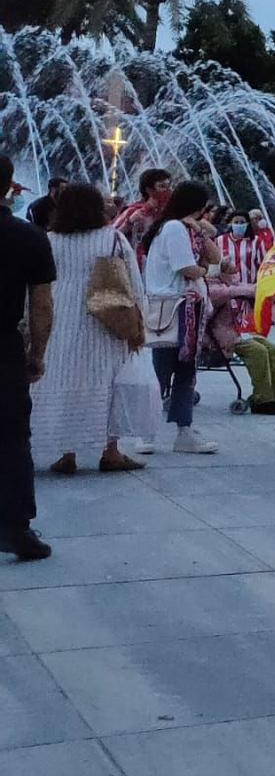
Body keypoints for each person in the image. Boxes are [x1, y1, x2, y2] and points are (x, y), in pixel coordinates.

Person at [36, 184, 150, 474]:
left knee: (64, 380)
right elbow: (133, 284)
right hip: (104, 320)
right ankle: (110, 451)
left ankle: (67, 454)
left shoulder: (49, 240)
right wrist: (139, 322)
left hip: (61, 319)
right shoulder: (112, 239)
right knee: (108, 381)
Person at [1, 159, 57, 560]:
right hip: (4, 351)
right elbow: (41, 304)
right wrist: (36, 354)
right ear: (9, 187)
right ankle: (16, 528)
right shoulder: (28, 237)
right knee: (12, 438)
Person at [140, 181, 219, 454]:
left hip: (185, 309)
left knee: (185, 373)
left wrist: (204, 232)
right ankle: (148, 433)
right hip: (174, 309)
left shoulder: (182, 228)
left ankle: (183, 431)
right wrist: (210, 273)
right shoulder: (174, 228)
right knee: (163, 371)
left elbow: (214, 256)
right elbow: (185, 268)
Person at [212, 206, 275, 414]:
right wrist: (250, 290)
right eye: (227, 261)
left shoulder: (250, 250)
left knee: (272, 349)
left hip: (234, 328)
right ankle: (262, 400)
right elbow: (228, 292)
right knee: (258, 351)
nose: (233, 263)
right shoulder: (213, 283)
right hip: (219, 335)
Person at [112, 167, 173, 248]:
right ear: (149, 190)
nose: (168, 190)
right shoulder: (133, 211)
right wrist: (129, 222)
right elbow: (111, 238)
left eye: (169, 185)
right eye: (162, 186)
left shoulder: (170, 211)